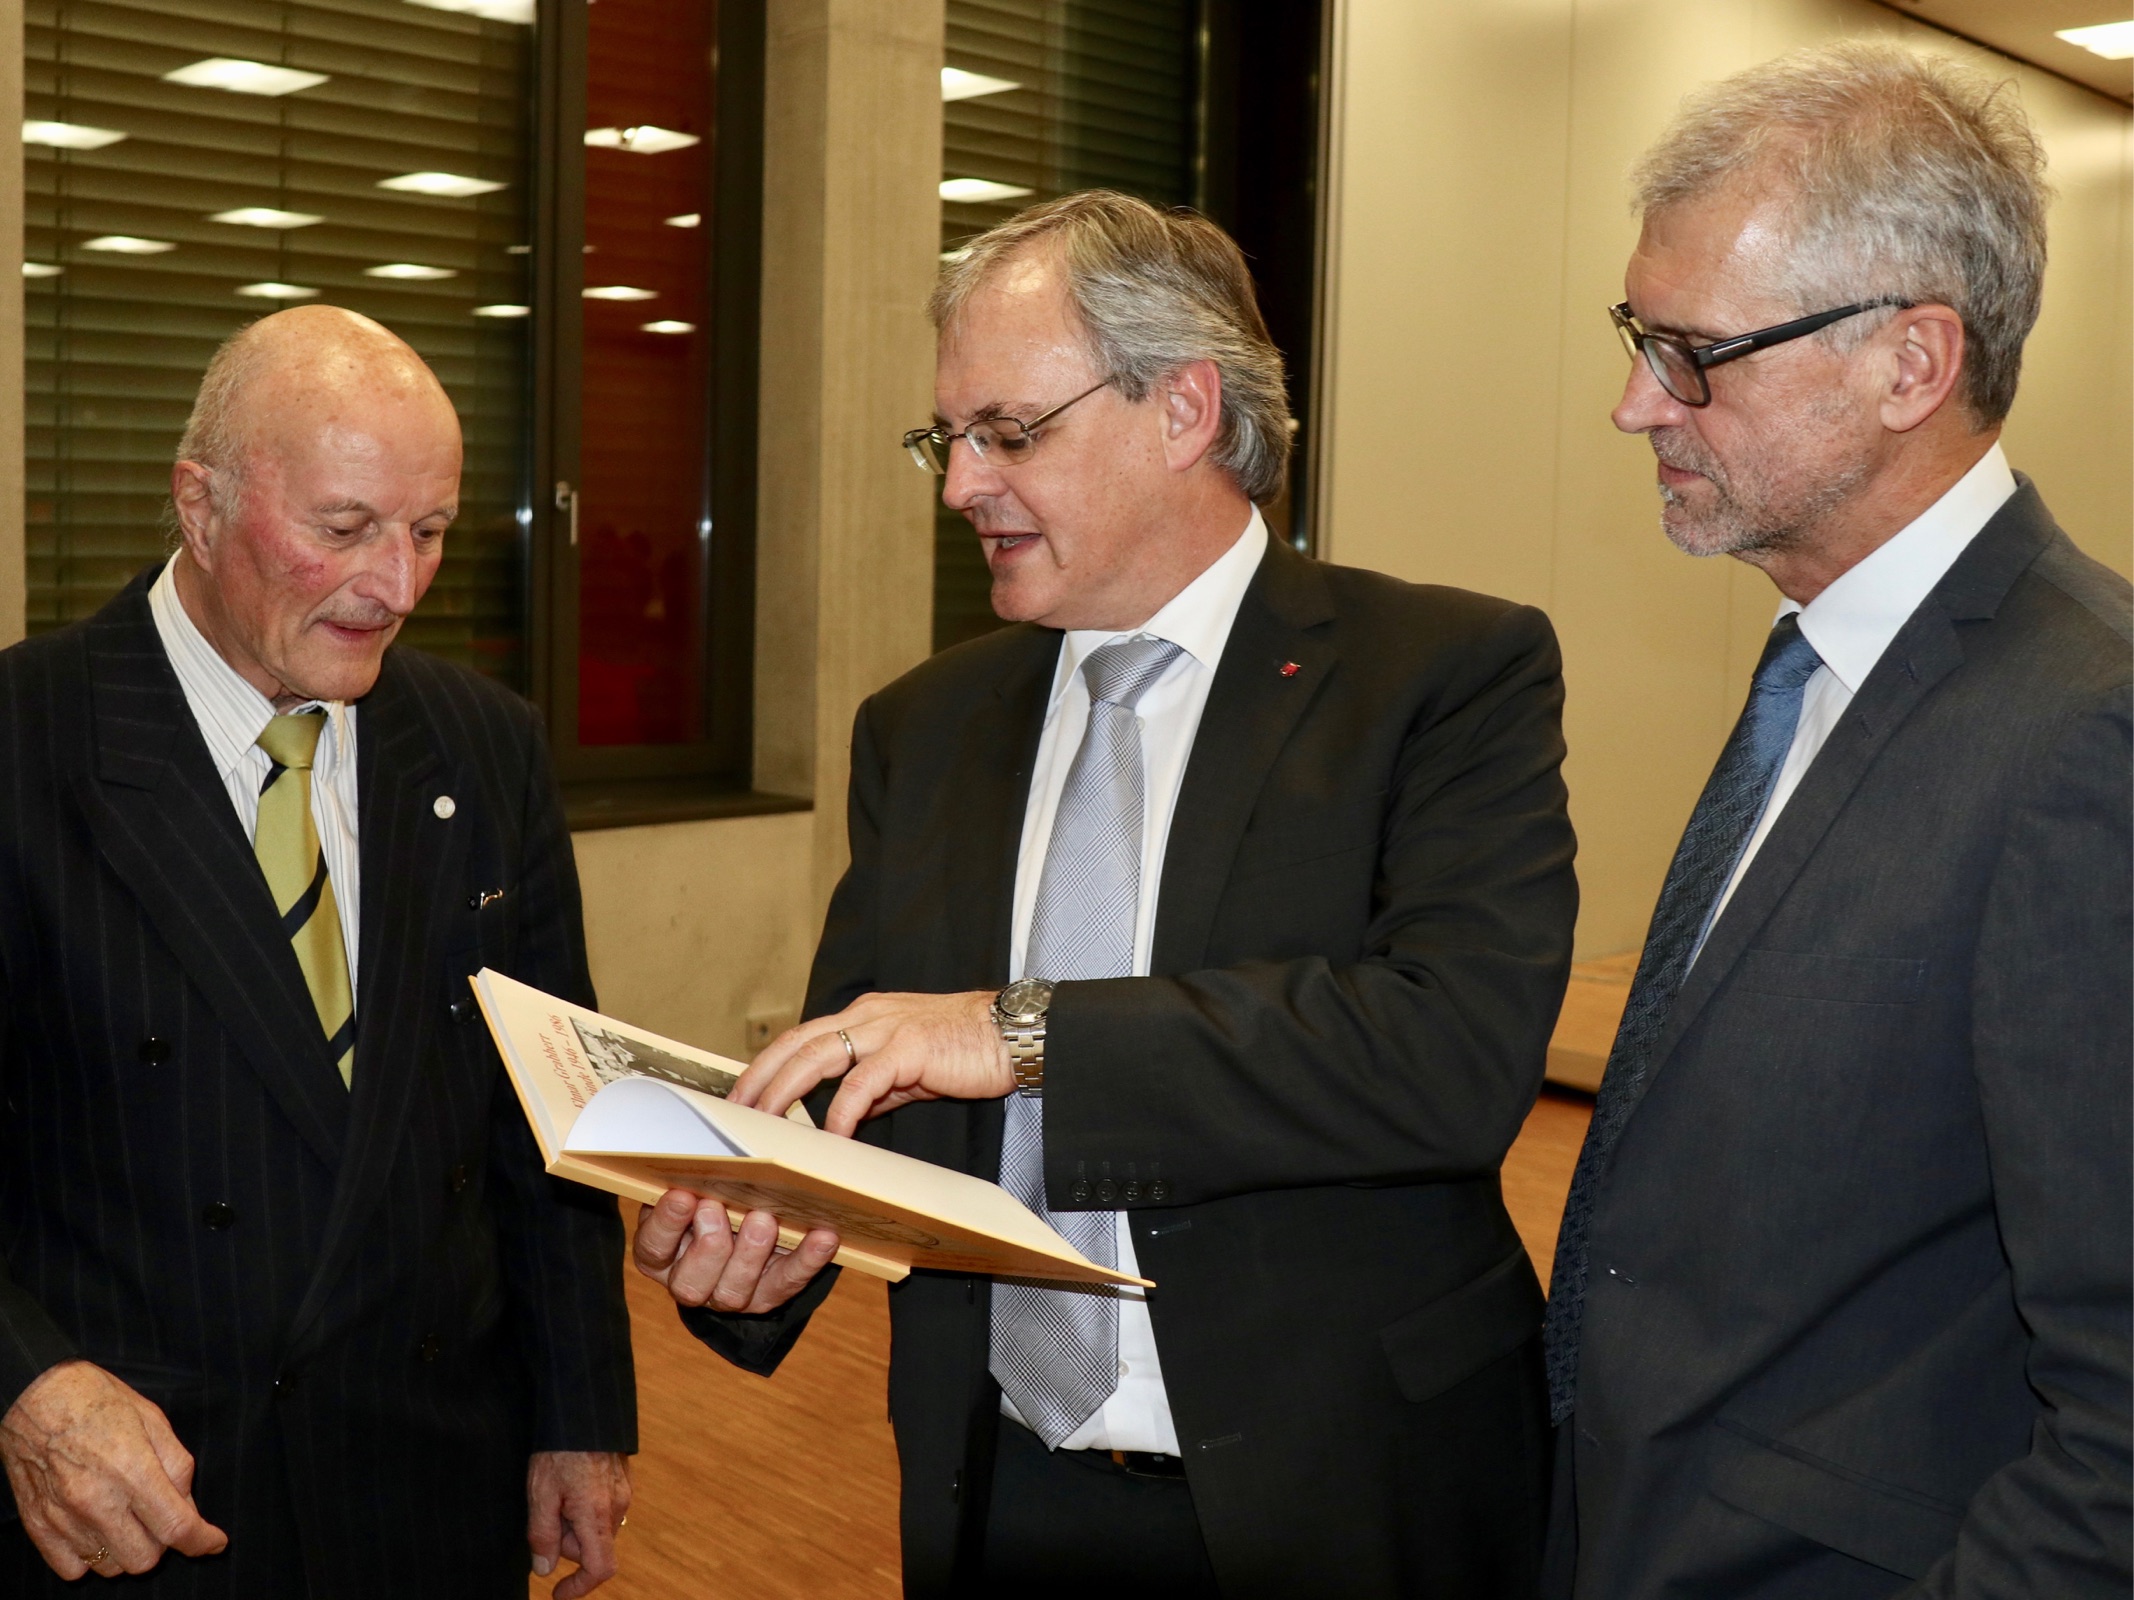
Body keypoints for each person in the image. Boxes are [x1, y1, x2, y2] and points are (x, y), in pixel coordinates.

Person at [632, 190, 1579, 1598]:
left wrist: (1020, 1033)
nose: (960, 486)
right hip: (1001, 1485)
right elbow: (863, 1084)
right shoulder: (922, 726)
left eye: (1009, 432)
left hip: (1345, 1493)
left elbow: (1449, 1053)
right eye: (947, 438)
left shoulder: (1439, 675)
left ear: (1183, 409)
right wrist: (758, 1247)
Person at [1542, 41, 2131, 1599]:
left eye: (1690, 354)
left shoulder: (2092, 733)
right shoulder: (1820, 663)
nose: (1631, 405)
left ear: (1909, 365)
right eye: (1636, 338)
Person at [0, 306, 637, 1597]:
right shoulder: (25, 742)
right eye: (343, 529)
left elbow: (547, 1117)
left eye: (429, 531)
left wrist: (580, 1412)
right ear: (199, 505)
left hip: (429, 1470)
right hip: (138, 1483)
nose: (396, 584)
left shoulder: (482, 744)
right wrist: (26, 1383)